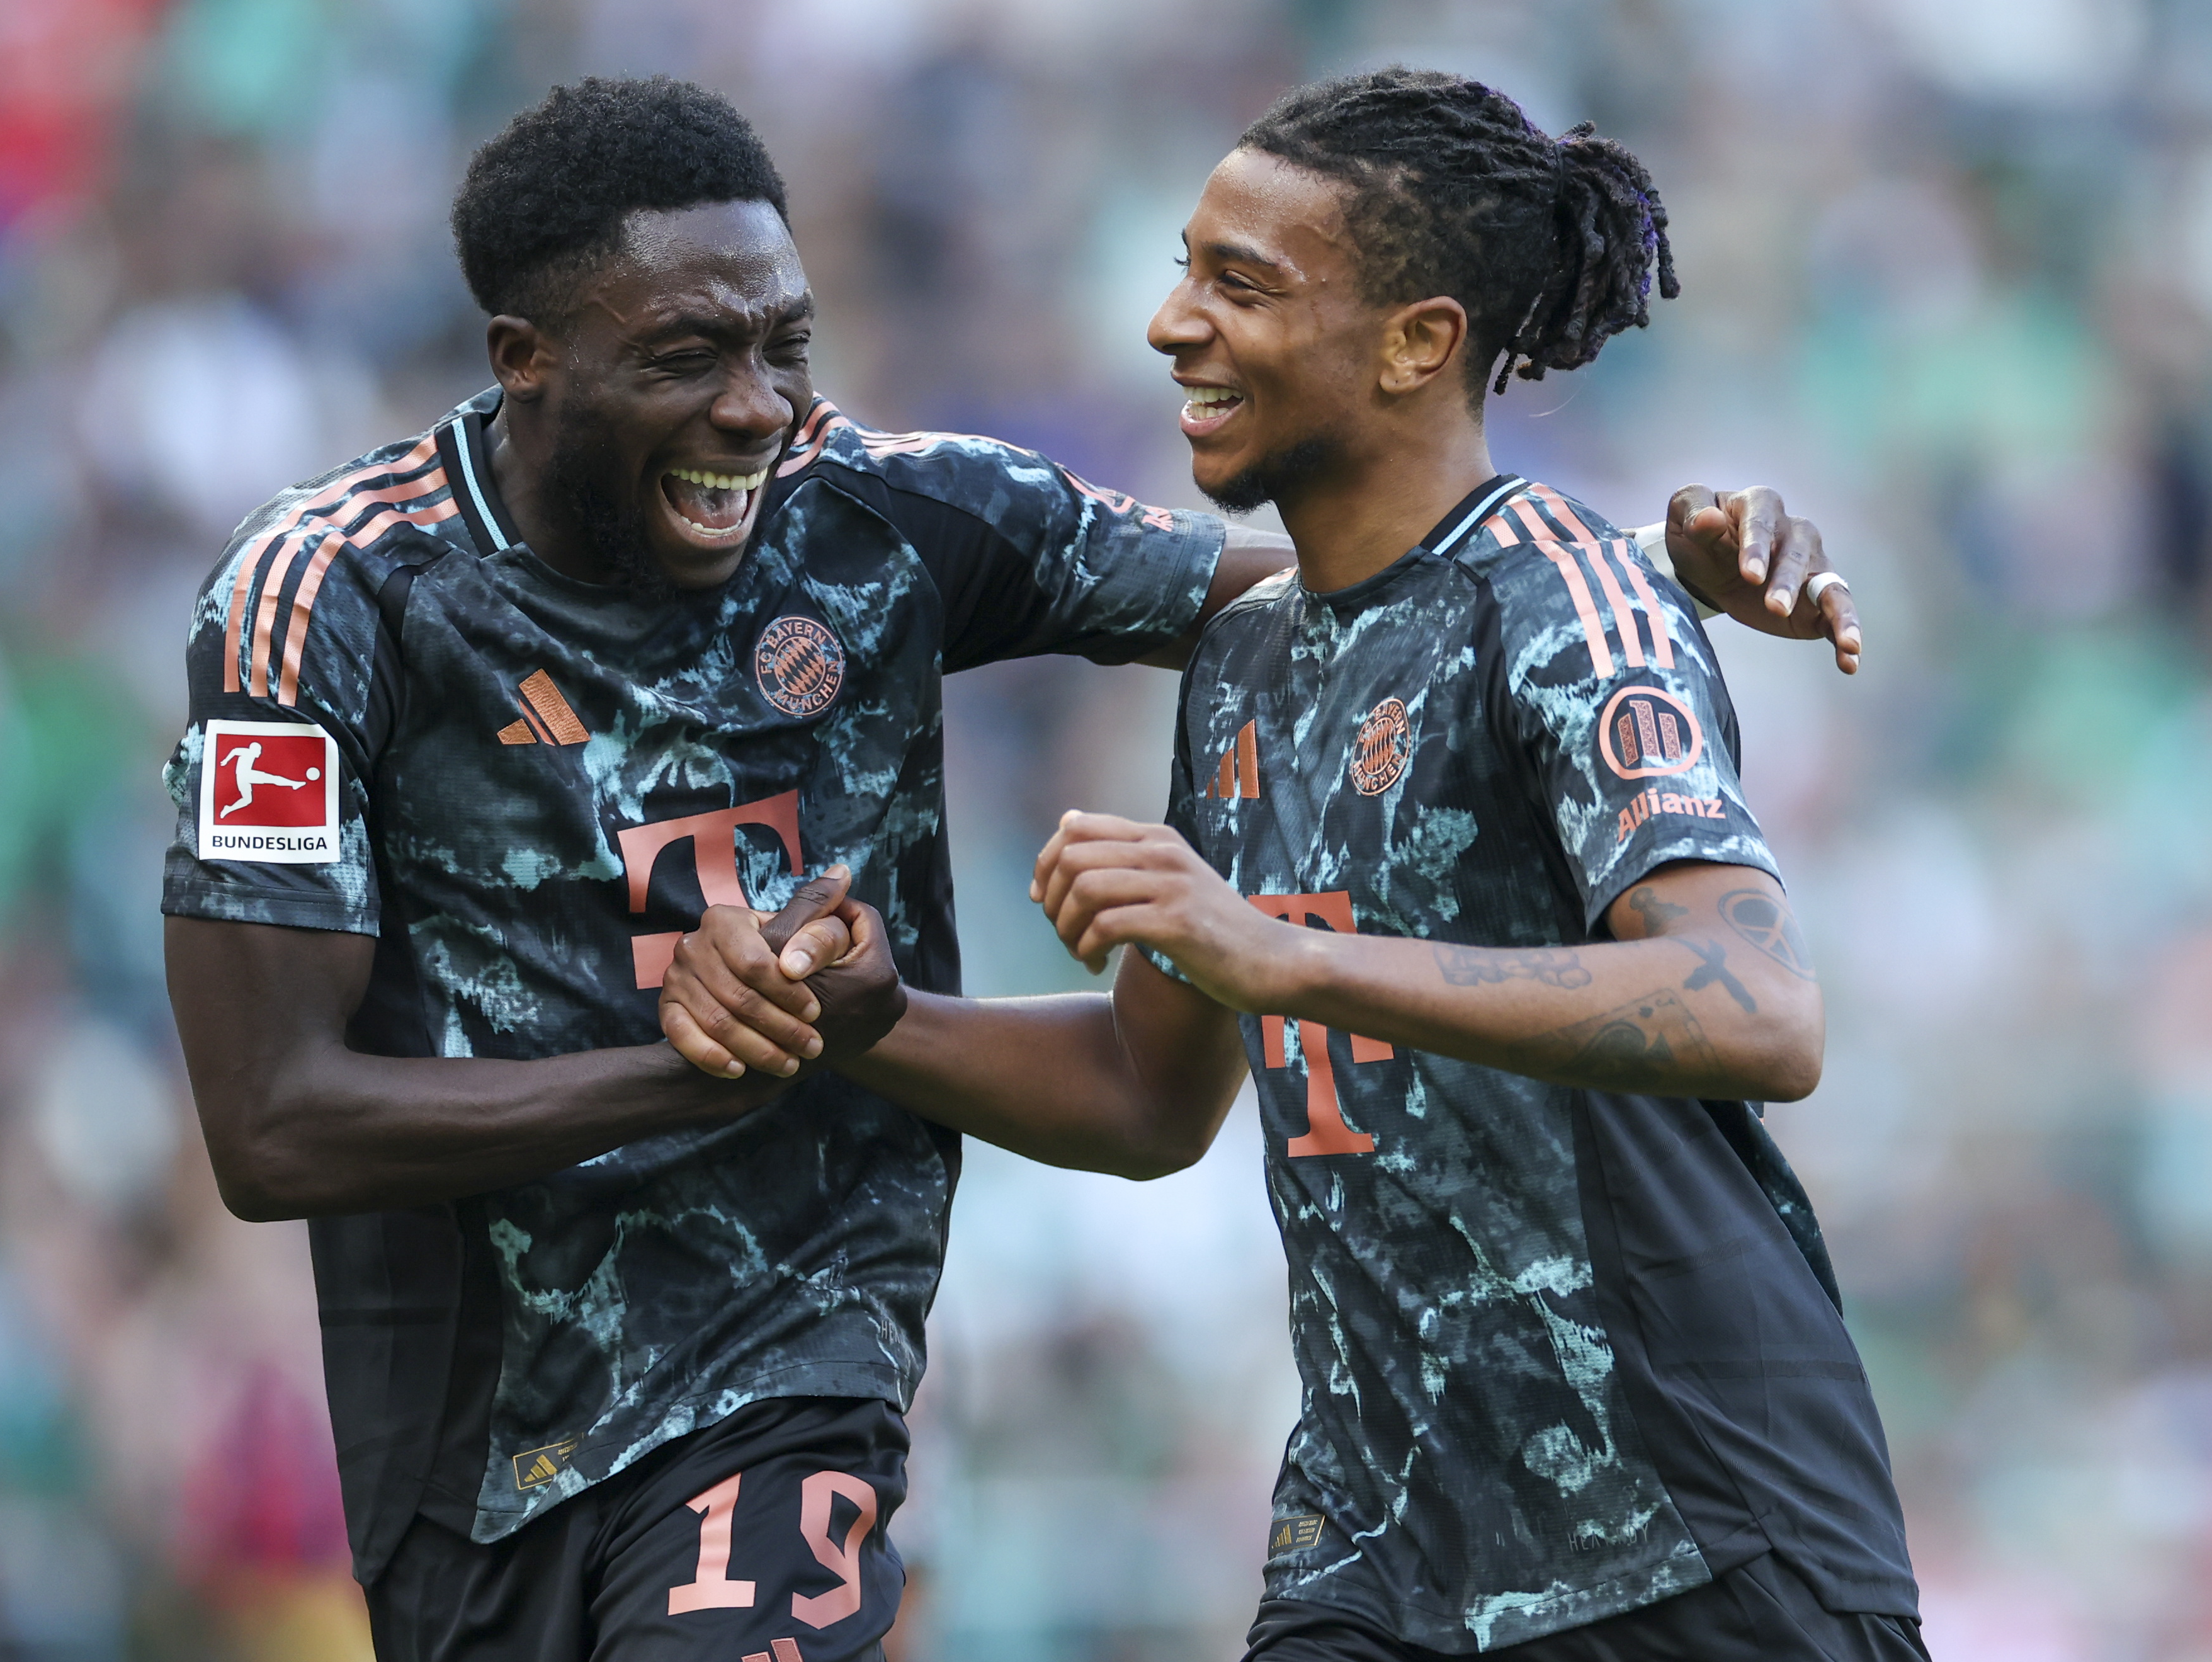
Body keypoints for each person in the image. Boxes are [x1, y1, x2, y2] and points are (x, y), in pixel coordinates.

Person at [162, 75, 1863, 1662]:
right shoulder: (331, 597)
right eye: (689, 354)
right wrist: (766, 1049)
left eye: (786, 347)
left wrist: (1632, 572)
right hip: (474, 1442)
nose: (757, 410)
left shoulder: (888, 515)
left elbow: (1429, 588)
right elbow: (273, 1122)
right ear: (522, 356)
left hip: (806, 1363)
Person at [661, 70, 1922, 1662]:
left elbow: (1754, 1005)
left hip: (1687, 1530)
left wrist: (1278, 957)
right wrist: (873, 1025)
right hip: (1375, 1550)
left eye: (1239, 284)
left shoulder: (1569, 604)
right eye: (1186, 267)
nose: (1171, 322)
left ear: (1418, 340)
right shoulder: (1246, 660)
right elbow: (1145, 1093)